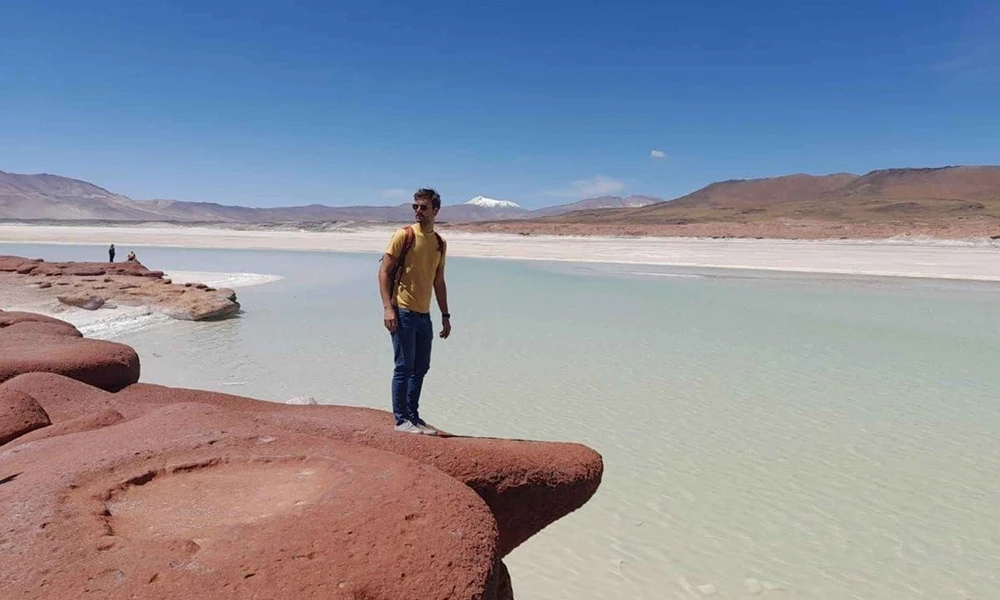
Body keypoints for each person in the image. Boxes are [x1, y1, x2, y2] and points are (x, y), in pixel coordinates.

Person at [377, 188, 451, 435]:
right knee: (403, 366)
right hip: (403, 311)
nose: (418, 211)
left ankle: (413, 416)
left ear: (435, 210)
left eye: (423, 207)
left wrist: (445, 315)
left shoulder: (439, 243)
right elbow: (384, 271)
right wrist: (388, 308)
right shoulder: (404, 235)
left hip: (424, 315)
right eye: (415, 207)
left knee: (421, 367)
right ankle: (401, 420)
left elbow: (438, 281)